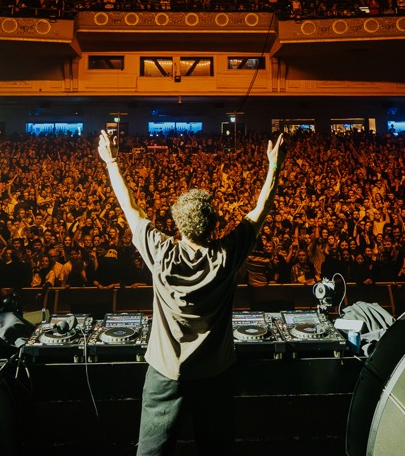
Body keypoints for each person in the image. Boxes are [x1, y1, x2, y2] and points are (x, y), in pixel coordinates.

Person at [98, 129, 285, 456]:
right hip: (215, 374)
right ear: (213, 224)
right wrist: (274, 166)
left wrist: (112, 162)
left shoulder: (160, 252)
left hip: (165, 373)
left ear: (177, 223)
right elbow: (261, 209)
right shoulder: (226, 256)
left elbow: (129, 207)